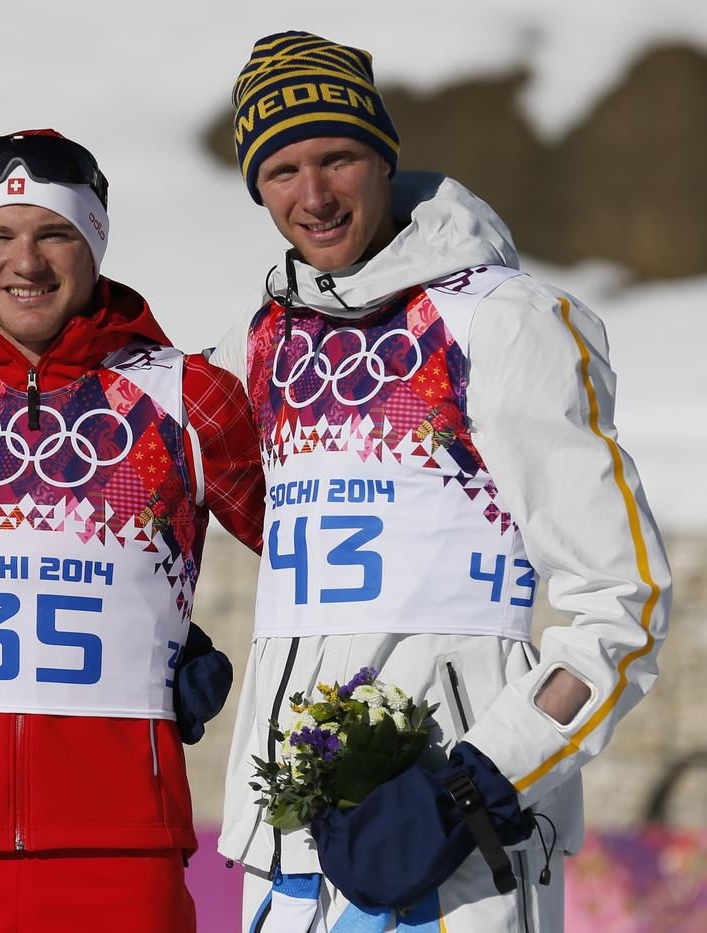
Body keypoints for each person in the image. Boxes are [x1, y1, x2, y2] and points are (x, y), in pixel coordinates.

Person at [211, 32, 673, 931]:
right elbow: (132, 471)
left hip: (459, 854)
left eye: (338, 156)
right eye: (281, 169)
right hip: (284, 853)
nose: (314, 196)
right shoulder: (259, 341)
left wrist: (478, 781)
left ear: (384, 155)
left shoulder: (500, 322)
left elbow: (625, 602)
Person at [0, 129, 264, 932]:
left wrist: (174, 636)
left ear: (96, 242)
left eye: (55, 233)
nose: (24, 263)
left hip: (122, 850)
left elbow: (300, 549)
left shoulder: (187, 395)